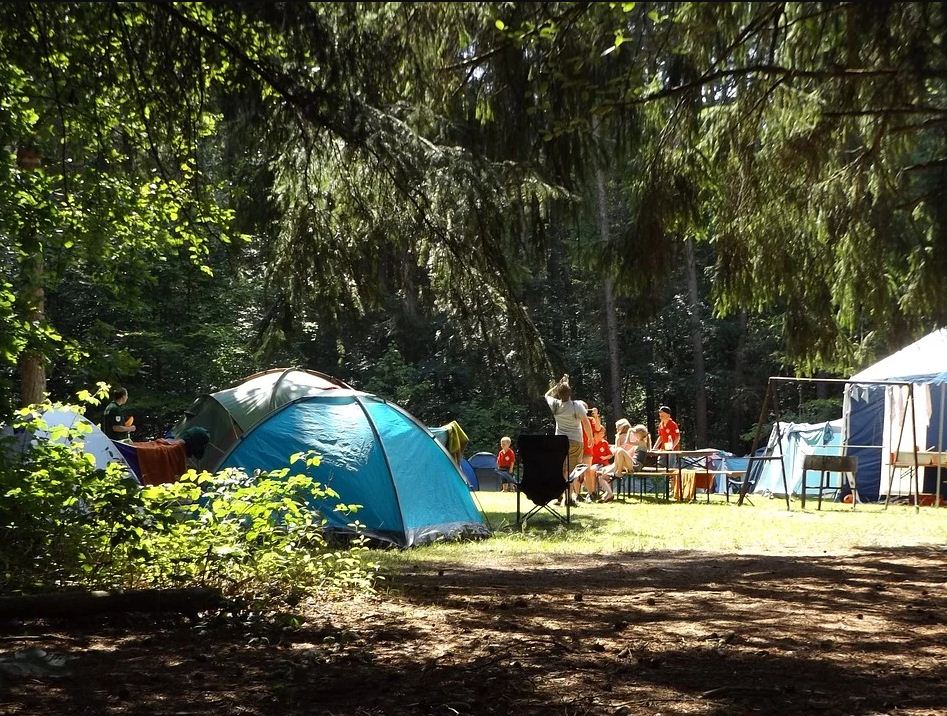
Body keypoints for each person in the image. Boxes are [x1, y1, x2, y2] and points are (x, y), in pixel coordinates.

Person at [544, 374, 586, 506]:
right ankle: (569, 498)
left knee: (562, 470)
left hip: (560, 443)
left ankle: (562, 496)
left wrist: (556, 387)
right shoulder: (577, 406)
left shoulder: (555, 405)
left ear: (559, 394)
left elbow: (546, 395)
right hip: (575, 441)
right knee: (572, 471)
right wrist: (589, 438)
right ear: (570, 393)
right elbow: (585, 422)